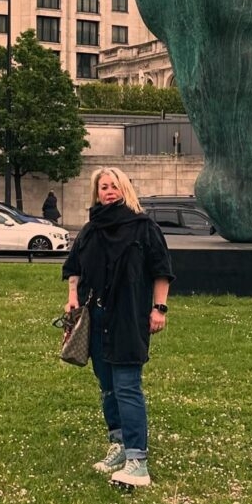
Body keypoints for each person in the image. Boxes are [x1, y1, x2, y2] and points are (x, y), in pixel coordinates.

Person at [62, 166, 174, 487]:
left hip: (129, 316)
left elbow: (161, 270)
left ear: (125, 189)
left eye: (114, 186)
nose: (108, 192)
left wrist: (159, 309)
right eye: (103, 187)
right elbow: (74, 267)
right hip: (96, 318)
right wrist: (72, 296)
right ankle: (120, 445)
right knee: (107, 385)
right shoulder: (91, 229)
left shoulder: (144, 228)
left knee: (127, 385)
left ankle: (138, 461)